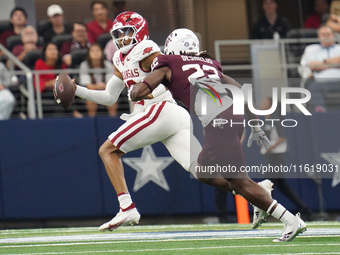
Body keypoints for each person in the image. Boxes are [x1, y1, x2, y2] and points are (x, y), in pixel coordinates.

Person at [130, 28, 307, 242]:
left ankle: (290, 220)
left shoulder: (168, 64)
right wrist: (256, 127)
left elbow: (137, 93)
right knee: (202, 171)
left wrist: (136, 85)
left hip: (218, 121)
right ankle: (259, 191)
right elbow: (241, 90)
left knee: (239, 181)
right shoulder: (209, 64)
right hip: (234, 115)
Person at [72, 11, 203, 232]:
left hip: (158, 109)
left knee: (108, 151)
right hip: (168, 114)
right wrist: (77, 90)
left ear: (140, 31)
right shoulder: (118, 58)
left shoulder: (147, 48)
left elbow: (168, 74)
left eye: (127, 32)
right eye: (118, 34)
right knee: (203, 170)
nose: (122, 38)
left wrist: (152, 91)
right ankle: (256, 191)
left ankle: (127, 207)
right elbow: (109, 97)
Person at [260, 97, 314, 221]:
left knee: (268, 185)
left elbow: (282, 138)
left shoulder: (275, 118)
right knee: (281, 186)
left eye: (264, 102)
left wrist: (268, 147)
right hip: (271, 156)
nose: (261, 104)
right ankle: (305, 209)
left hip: (276, 156)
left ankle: (267, 213)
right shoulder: (266, 120)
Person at [299, 25, 340, 112]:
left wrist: (323, 63)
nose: (326, 37)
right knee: (313, 86)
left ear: (333, 36)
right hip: (322, 83)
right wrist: (334, 62)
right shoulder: (313, 51)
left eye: (328, 34)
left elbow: (318, 66)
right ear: (319, 37)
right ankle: (321, 112)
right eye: (323, 35)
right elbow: (313, 66)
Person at [35, 42, 81, 118]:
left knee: (67, 93)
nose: (53, 51)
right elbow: (38, 82)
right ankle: (73, 112)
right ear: (45, 52)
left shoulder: (61, 64)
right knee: (60, 96)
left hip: (60, 90)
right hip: (46, 92)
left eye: (55, 49)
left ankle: (70, 114)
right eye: (50, 49)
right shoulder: (39, 63)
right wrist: (51, 83)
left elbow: (66, 78)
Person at [79, 44, 117, 116]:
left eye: (98, 50)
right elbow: (87, 85)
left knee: (112, 97)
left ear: (102, 53)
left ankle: (113, 119)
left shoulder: (108, 65)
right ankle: (92, 120)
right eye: (92, 51)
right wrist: (98, 87)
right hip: (91, 91)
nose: (95, 53)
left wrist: (103, 87)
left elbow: (111, 83)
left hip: (105, 90)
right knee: (91, 98)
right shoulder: (84, 65)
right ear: (88, 54)